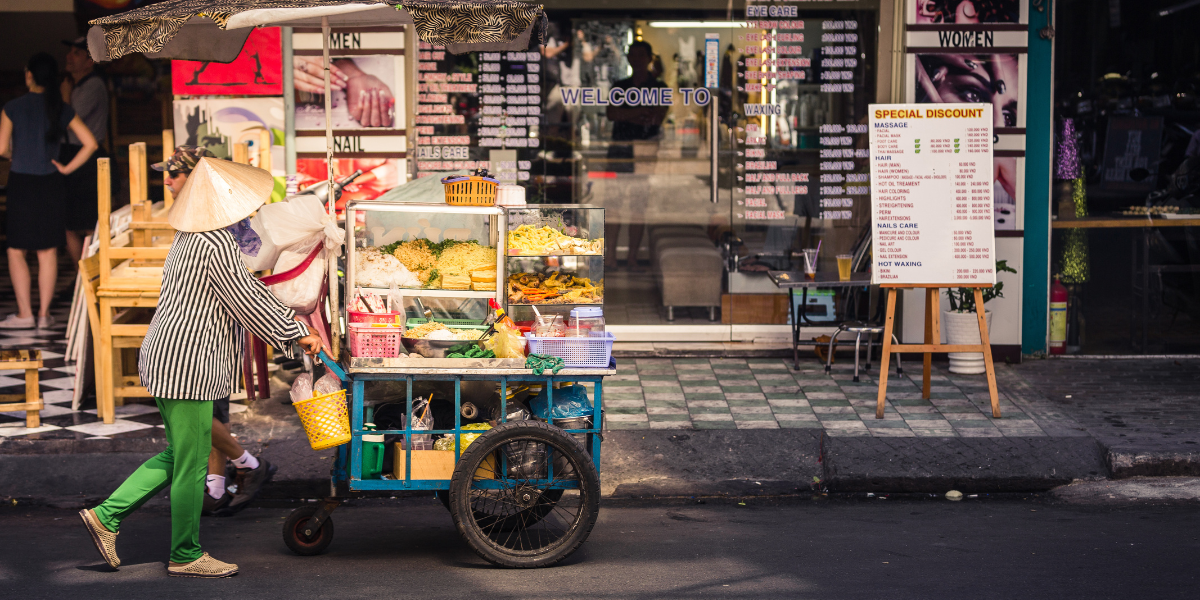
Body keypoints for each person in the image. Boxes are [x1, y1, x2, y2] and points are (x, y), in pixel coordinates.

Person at [79, 157, 324, 578]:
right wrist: (293, 331)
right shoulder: (215, 244)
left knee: (181, 455)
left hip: (168, 358)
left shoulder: (191, 237)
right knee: (191, 463)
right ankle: (185, 553)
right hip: (186, 364)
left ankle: (107, 516)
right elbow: (246, 298)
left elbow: (241, 294)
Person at [151, 145, 278, 517]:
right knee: (198, 426)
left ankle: (233, 475)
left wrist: (290, 331)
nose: (168, 180)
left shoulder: (213, 236)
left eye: (174, 174)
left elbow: (244, 292)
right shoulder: (194, 231)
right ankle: (218, 486)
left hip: (201, 349)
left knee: (202, 423)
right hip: (192, 348)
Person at [0, 53, 98, 330]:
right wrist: (66, 168)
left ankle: (24, 314)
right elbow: (90, 144)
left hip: (22, 182)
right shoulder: (60, 107)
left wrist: (12, 153)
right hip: (51, 183)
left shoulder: (12, 107)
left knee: (16, 250)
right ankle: (43, 316)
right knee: (47, 251)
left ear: (28, 74)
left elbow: (1, 148)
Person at [602, 41, 669, 269]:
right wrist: (641, 111)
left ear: (650, 58)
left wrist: (627, 114)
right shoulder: (620, 85)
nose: (636, 58)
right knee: (613, 205)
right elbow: (612, 113)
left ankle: (632, 257)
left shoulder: (659, 87)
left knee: (638, 206)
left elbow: (656, 118)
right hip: (619, 150)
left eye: (641, 55)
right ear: (628, 58)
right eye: (633, 54)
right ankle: (610, 256)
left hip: (645, 152)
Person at [61, 36, 110, 266]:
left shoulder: (93, 85)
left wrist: (64, 96)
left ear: (90, 61)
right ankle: (83, 277)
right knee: (68, 222)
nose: (69, 57)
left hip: (88, 159)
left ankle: (93, 276)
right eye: (70, 52)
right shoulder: (74, 85)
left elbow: (70, 119)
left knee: (90, 222)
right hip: (70, 154)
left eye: (77, 53)